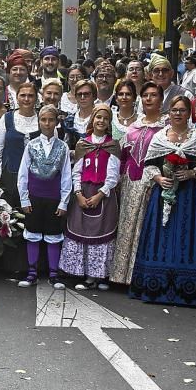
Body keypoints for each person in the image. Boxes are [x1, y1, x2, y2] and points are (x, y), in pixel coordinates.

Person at [129, 94, 196, 306]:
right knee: (162, 236)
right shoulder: (159, 137)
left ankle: (187, 287)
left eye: (183, 110)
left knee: (187, 236)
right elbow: (148, 165)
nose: (178, 114)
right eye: (174, 110)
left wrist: (193, 174)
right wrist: (158, 177)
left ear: (189, 113)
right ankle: (155, 286)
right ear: (169, 113)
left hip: (190, 196)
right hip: (163, 194)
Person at [109, 83, 167, 287]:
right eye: (146, 95)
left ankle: (143, 276)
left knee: (147, 228)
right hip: (130, 183)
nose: (149, 99)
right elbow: (124, 156)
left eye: (154, 95)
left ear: (161, 99)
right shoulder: (134, 126)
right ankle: (122, 275)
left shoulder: (166, 127)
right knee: (127, 226)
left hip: (154, 184)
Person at [62, 106, 121, 290]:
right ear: (92, 120)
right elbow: (76, 171)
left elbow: (113, 175)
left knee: (101, 232)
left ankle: (100, 275)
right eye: (98, 117)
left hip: (103, 194)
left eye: (105, 118)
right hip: (84, 191)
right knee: (82, 231)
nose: (101, 121)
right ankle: (84, 274)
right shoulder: (83, 144)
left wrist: (100, 195)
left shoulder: (113, 145)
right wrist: (78, 194)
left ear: (108, 122)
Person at [16, 104, 73, 288]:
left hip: (54, 198)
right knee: (32, 234)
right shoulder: (31, 145)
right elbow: (23, 173)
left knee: (53, 234)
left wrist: (64, 202)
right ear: (39, 121)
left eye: (51, 120)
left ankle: (54, 274)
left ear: (56, 123)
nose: (47, 123)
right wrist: (24, 198)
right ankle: (32, 272)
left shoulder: (63, 147)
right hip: (34, 197)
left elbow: (65, 175)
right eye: (43, 120)